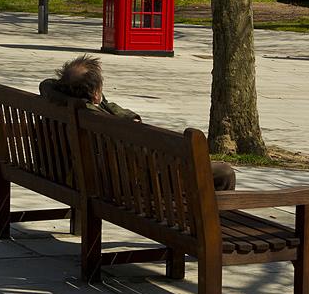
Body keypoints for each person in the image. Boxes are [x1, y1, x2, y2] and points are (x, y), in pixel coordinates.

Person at [39, 54, 236, 191]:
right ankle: (217, 233)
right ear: (96, 93)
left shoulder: (68, 105)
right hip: (127, 183)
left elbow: (46, 84)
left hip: (84, 178)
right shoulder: (105, 124)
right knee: (224, 173)